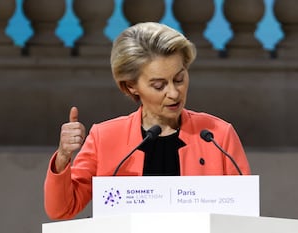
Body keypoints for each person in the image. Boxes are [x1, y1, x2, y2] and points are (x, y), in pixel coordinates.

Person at [44, 22, 251, 220]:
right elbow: (61, 209)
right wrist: (63, 157)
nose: (174, 93)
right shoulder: (104, 138)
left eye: (179, 79)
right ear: (131, 86)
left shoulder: (217, 136)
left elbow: (244, 214)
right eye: (159, 85)